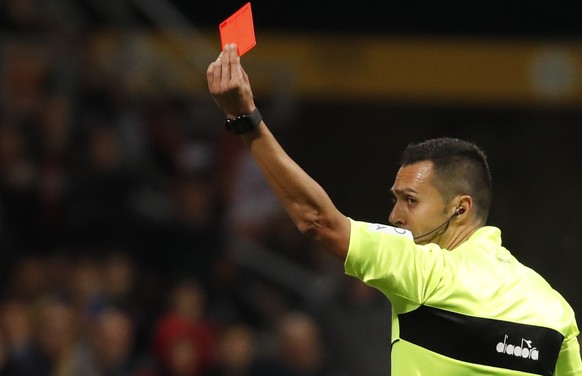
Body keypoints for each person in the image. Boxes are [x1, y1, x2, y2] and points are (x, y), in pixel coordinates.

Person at [206, 43, 582, 375]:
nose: (395, 216)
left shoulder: (425, 273)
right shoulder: (554, 310)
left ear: (460, 210)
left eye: (411, 200)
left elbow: (318, 220)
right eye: (396, 199)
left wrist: (246, 120)